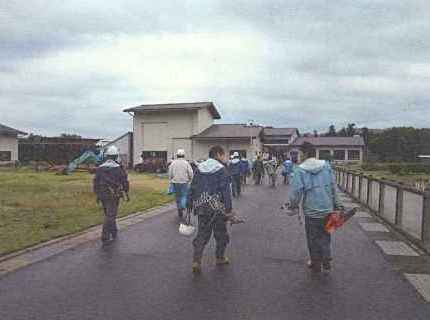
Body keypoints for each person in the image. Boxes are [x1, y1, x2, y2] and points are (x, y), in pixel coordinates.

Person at [287, 150, 343, 273]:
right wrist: (338, 205)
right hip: (328, 208)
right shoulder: (326, 166)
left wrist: (293, 206)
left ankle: (315, 263)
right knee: (326, 235)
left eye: (300, 154)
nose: (298, 156)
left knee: (313, 238)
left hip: (311, 210)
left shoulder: (300, 170)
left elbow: (296, 192)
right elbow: (334, 186)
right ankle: (326, 258)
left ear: (305, 154)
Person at [187, 145, 234, 273]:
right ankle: (220, 258)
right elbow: (226, 191)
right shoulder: (222, 170)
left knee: (202, 234)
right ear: (218, 154)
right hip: (218, 208)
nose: (224, 157)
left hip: (201, 206)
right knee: (221, 234)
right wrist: (229, 210)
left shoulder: (199, 168)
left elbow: (193, 187)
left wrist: (189, 203)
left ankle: (196, 261)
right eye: (223, 155)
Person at [93, 145, 129, 244]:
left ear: (107, 156)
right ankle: (105, 236)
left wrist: (97, 194)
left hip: (102, 194)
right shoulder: (119, 168)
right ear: (116, 156)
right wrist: (126, 191)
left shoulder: (100, 168)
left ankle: (113, 232)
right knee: (111, 214)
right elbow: (124, 182)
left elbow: (95, 182)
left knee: (108, 213)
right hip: (114, 195)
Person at [168, 149, 194, 219]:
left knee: (177, 197)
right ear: (184, 155)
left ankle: (179, 208)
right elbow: (191, 173)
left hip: (175, 182)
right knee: (184, 195)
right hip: (184, 182)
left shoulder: (173, 163)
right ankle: (183, 206)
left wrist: (170, 180)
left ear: (177, 155)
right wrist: (191, 179)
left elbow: (170, 173)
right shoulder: (186, 163)